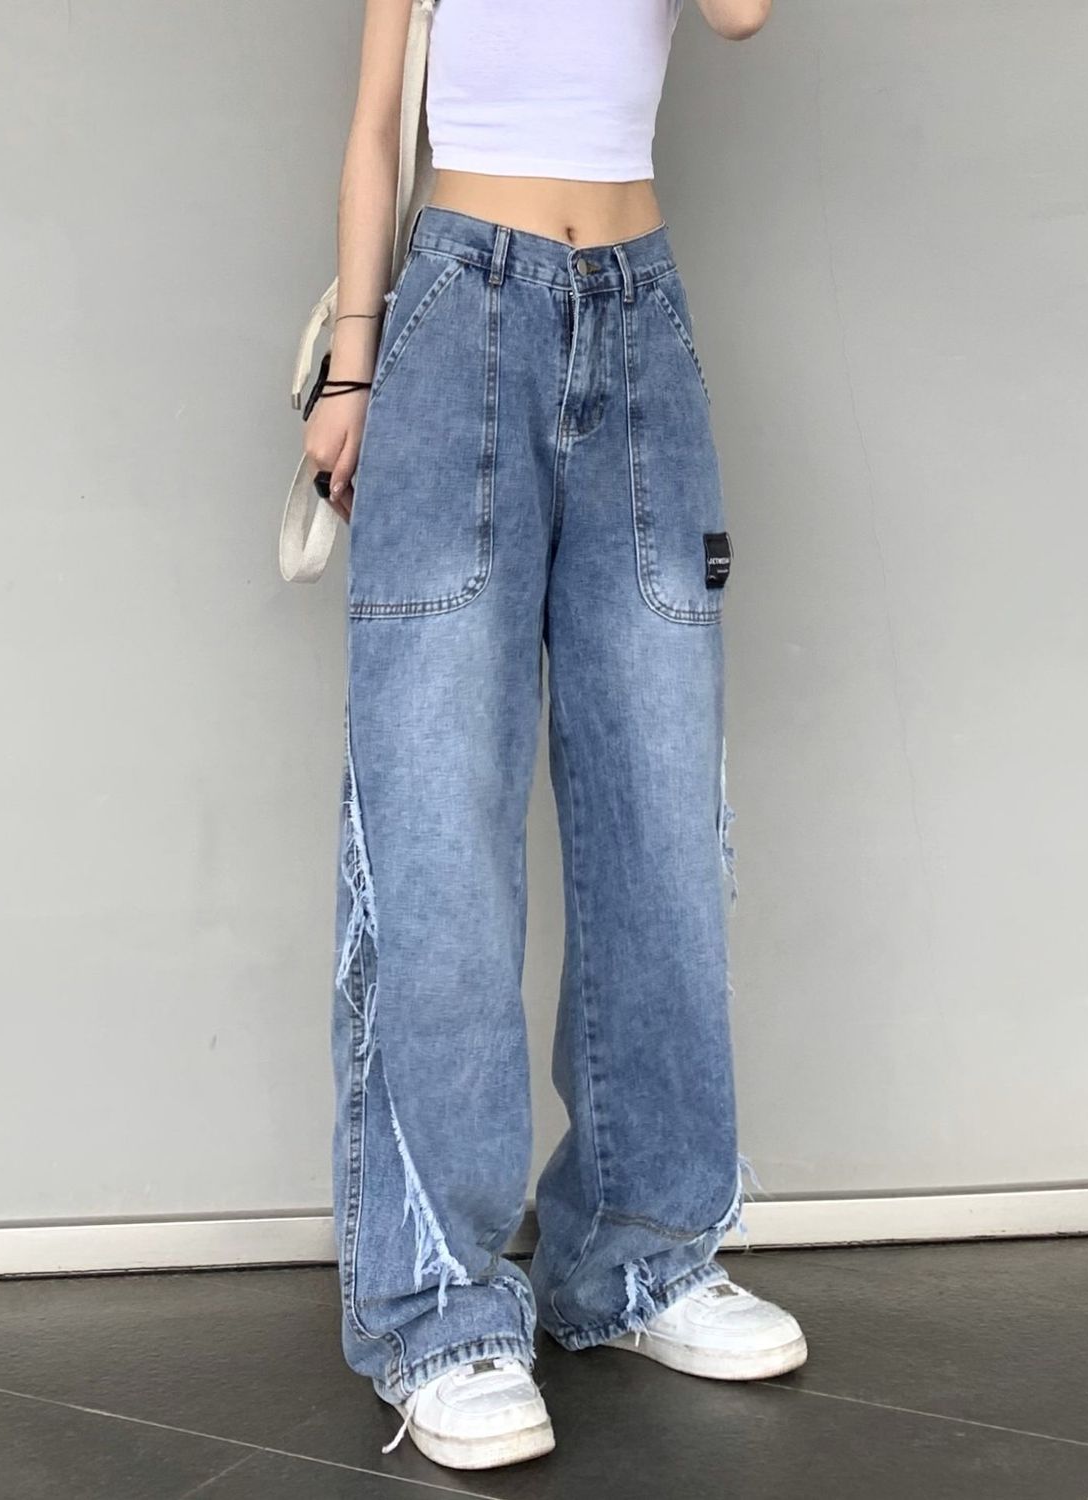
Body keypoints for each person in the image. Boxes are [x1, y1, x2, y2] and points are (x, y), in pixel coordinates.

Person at [303, 0, 804, 1471]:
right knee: (436, 828)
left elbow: (741, 13)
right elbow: (375, 123)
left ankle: (638, 1255)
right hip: (461, 309)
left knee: (661, 812)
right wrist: (352, 367)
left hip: (640, 313)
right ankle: (439, 1310)